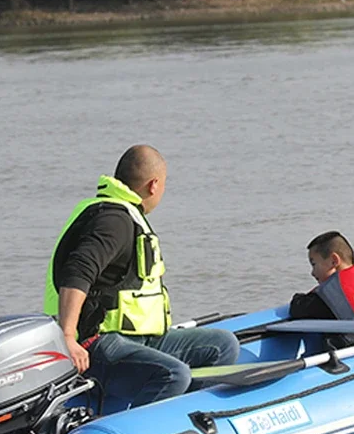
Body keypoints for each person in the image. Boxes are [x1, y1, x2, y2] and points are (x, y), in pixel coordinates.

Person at [44, 144, 239, 410]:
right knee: (173, 374)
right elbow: (78, 270)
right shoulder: (113, 221)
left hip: (140, 338)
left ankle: (186, 418)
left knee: (222, 345)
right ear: (154, 185)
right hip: (98, 344)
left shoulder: (126, 215)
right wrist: (68, 337)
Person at [289, 231, 354, 323]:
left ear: (334, 261)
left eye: (314, 264)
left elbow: (298, 309)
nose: (312, 273)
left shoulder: (331, 293)